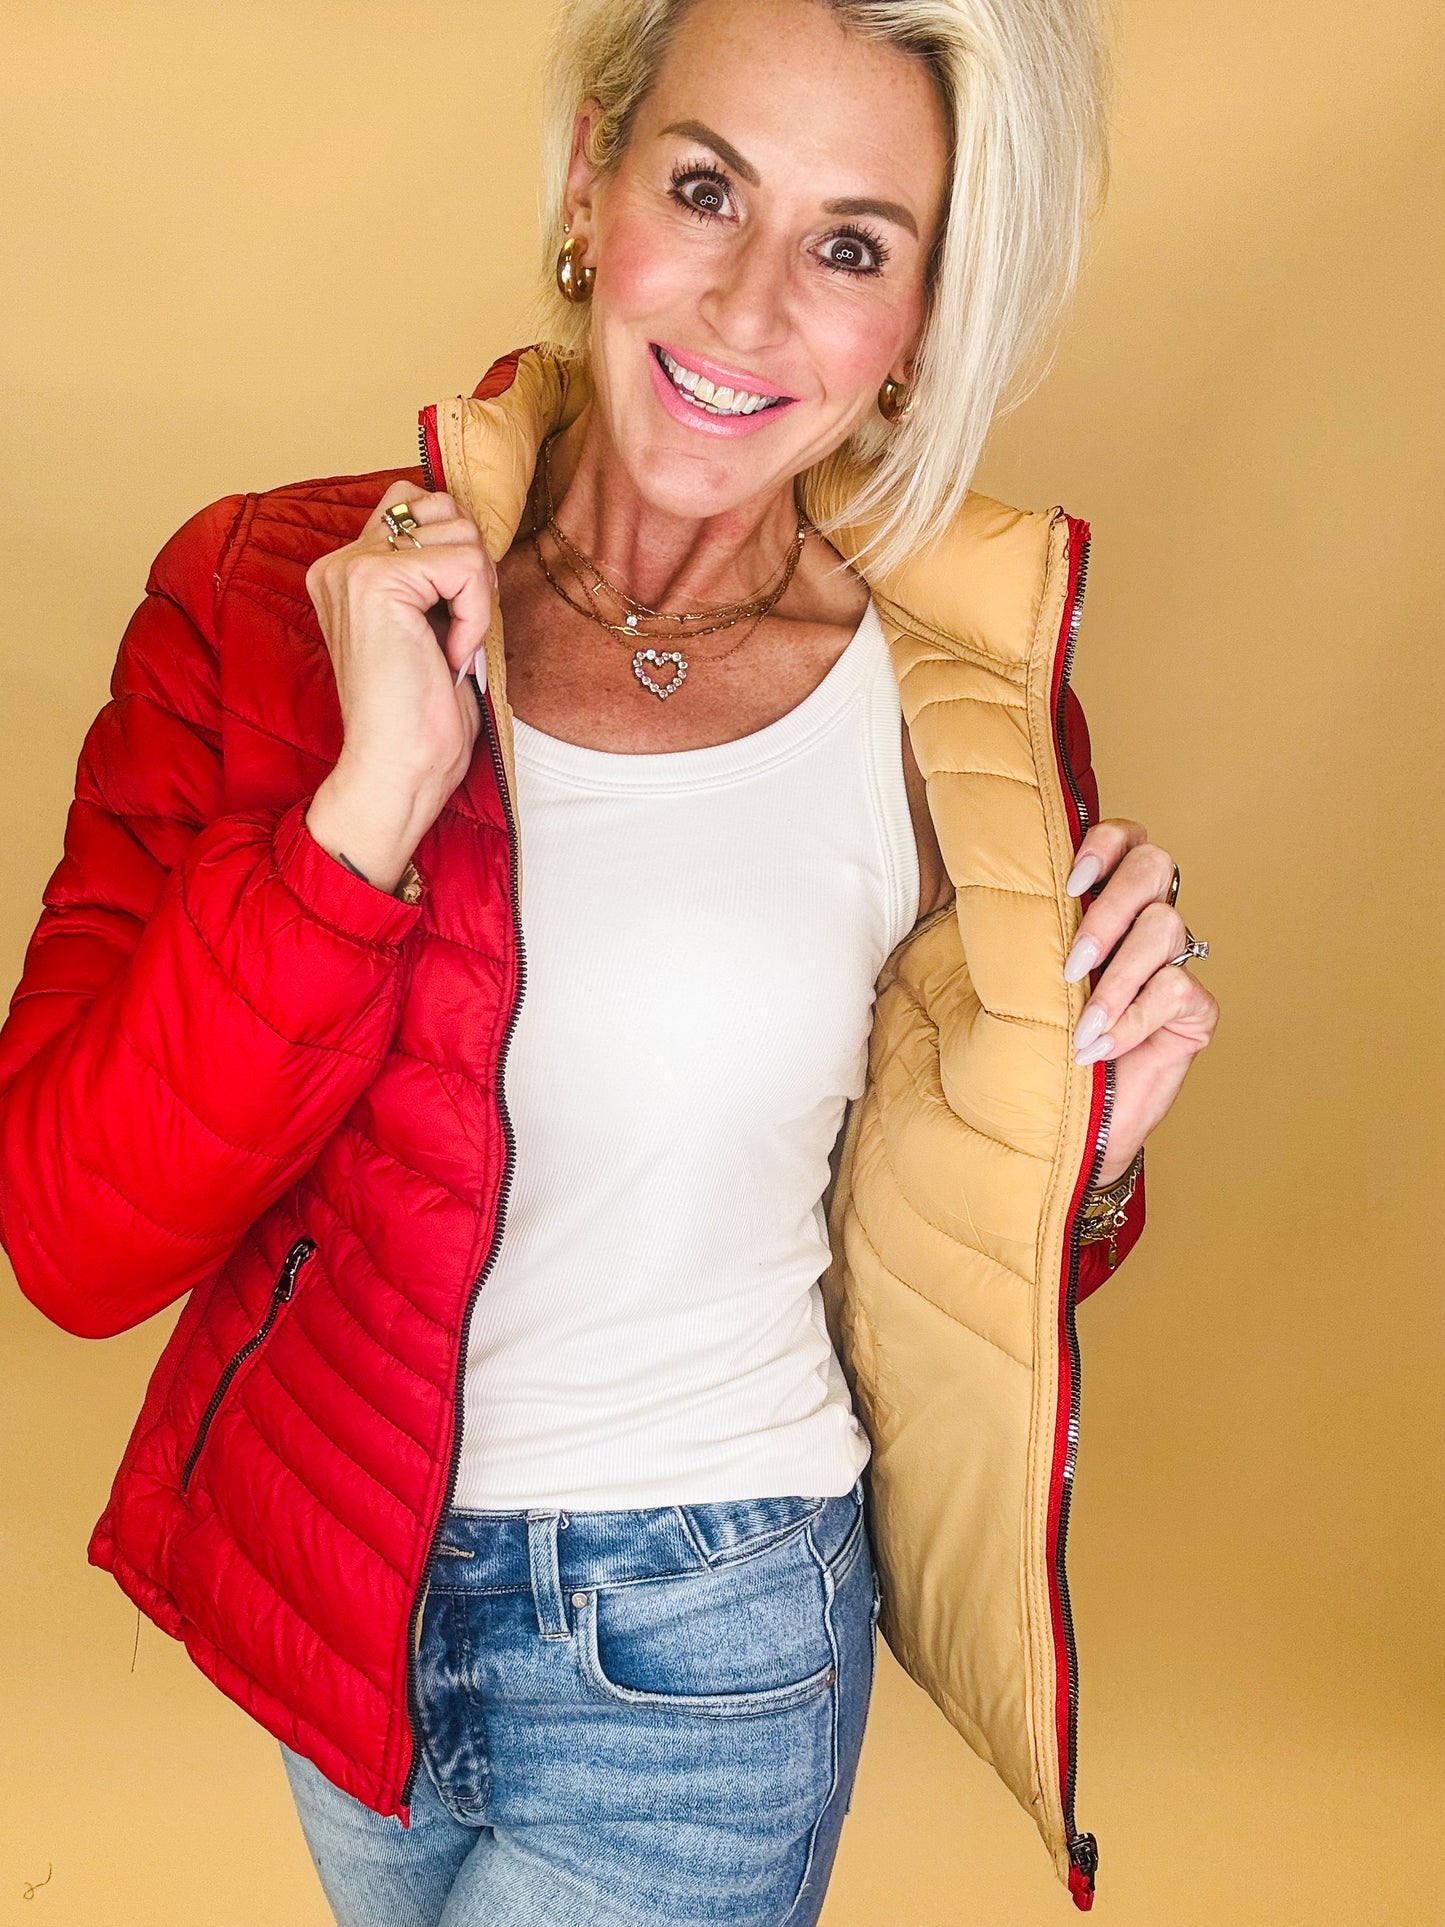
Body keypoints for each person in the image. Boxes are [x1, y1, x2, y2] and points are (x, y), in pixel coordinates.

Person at [0, 0, 1218, 1921]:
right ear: (592, 180)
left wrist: (1091, 1149)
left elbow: (947, 1252)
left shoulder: (958, 716)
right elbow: (74, 1241)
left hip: (705, 1630)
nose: (746, 307)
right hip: (345, 1597)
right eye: (706, 190)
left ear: (920, 319)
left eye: (850, 246)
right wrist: (363, 807)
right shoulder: (265, 599)